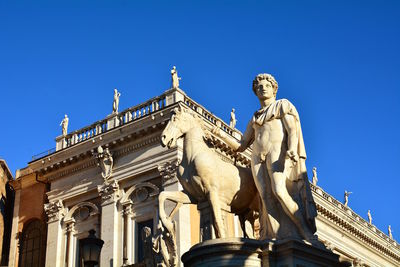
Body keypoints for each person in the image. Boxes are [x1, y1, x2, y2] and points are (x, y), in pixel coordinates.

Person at [236, 73, 317, 242]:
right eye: (259, 87)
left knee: (279, 191)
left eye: (266, 85)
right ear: (255, 92)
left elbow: (292, 129)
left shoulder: (282, 105)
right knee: (264, 196)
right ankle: (274, 235)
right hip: (257, 156)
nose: (262, 88)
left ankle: (305, 233)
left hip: (276, 152)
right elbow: (243, 142)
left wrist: (293, 148)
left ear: (274, 90)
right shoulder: (255, 117)